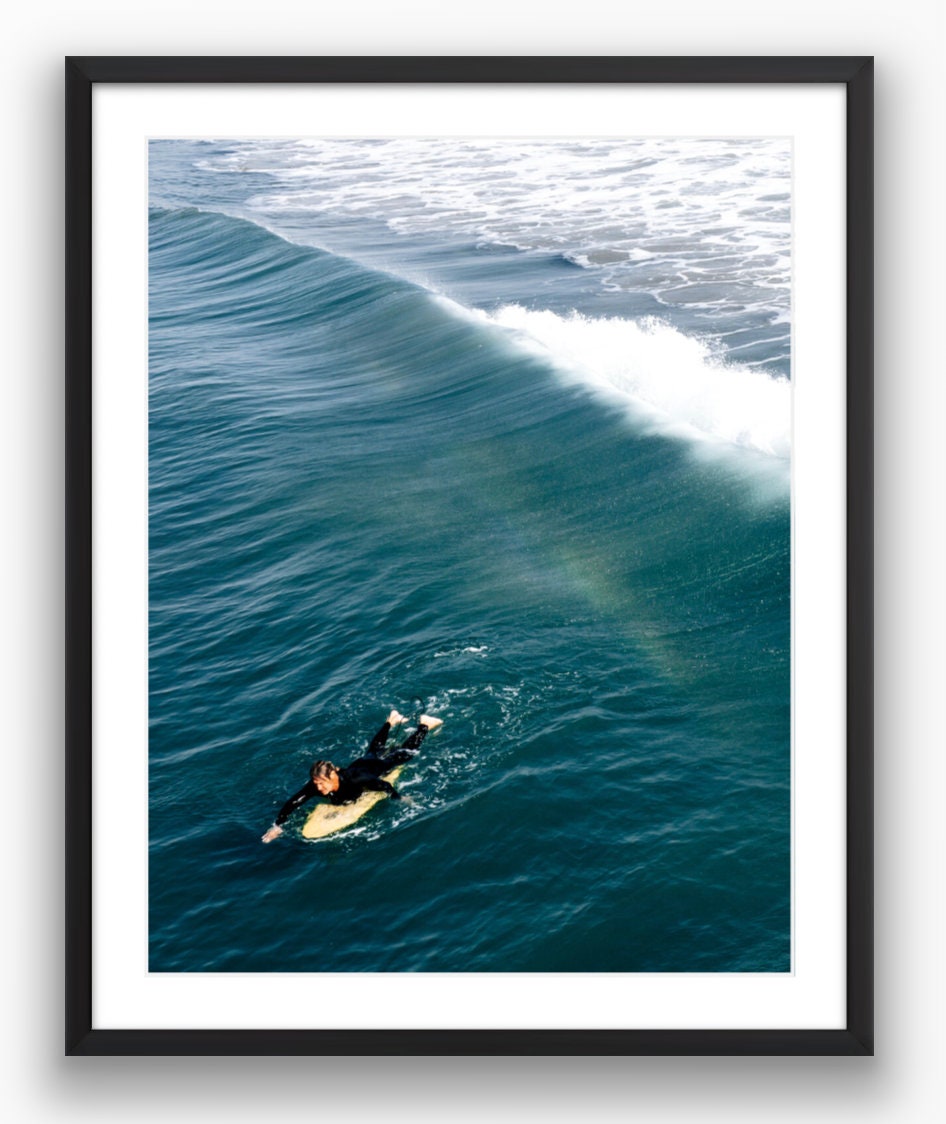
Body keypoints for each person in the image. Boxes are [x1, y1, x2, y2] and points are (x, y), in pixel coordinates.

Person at [261, 710, 442, 842]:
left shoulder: (357, 781)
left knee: (405, 753)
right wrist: (277, 826)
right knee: (373, 750)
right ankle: (391, 720)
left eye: (322, 784)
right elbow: (292, 803)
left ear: (332, 776)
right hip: (364, 761)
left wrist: (400, 798)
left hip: (379, 767)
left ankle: (424, 724)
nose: (318, 789)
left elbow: (384, 786)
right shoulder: (316, 785)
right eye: (316, 784)